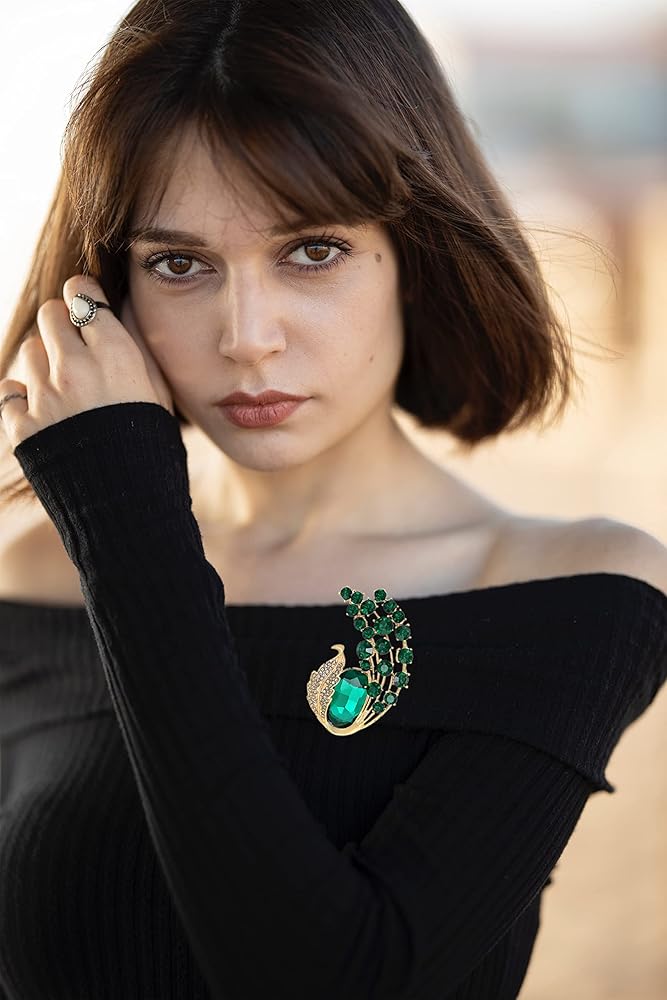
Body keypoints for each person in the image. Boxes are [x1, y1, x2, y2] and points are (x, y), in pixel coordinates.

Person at [0, 1, 665, 997]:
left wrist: (128, 529)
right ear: (106, 297)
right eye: (178, 263)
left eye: (312, 251)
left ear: (416, 258)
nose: (247, 337)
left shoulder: (572, 591)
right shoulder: (31, 579)